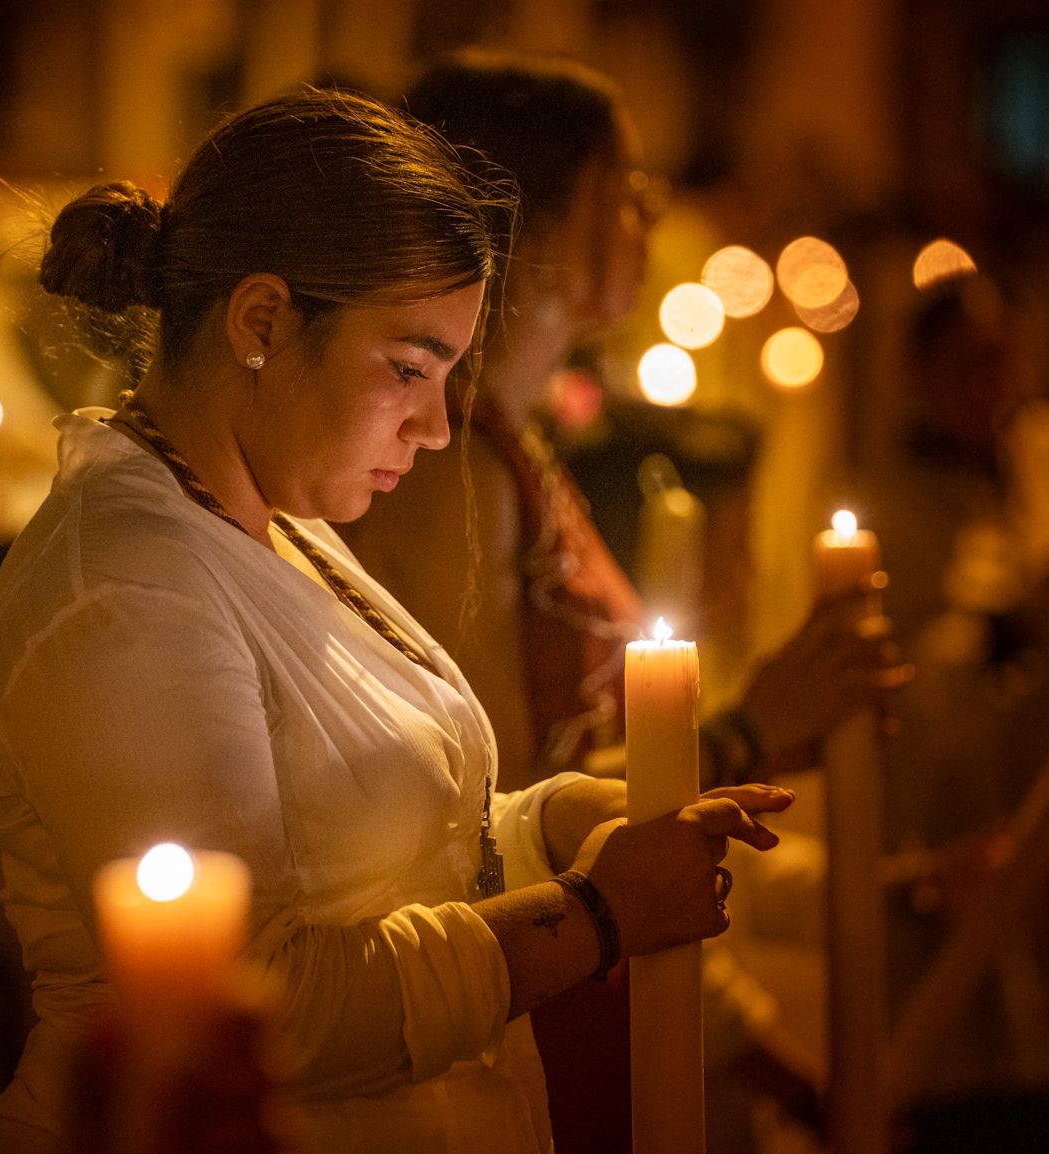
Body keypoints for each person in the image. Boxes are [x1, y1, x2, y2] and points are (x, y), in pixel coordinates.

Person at [0, 87, 792, 1154]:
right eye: (409, 367)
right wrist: (593, 918)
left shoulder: (268, 516)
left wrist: (552, 822)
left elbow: (385, 861)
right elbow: (259, 1001)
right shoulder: (124, 589)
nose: (439, 427)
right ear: (262, 321)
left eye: (449, 376)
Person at [341, 55, 908, 1151]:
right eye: (626, 189)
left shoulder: (513, 445)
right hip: (543, 1013)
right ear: (534, 224)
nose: (653, 214)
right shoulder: (445, 469)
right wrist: (751, 728)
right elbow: (478, 812)